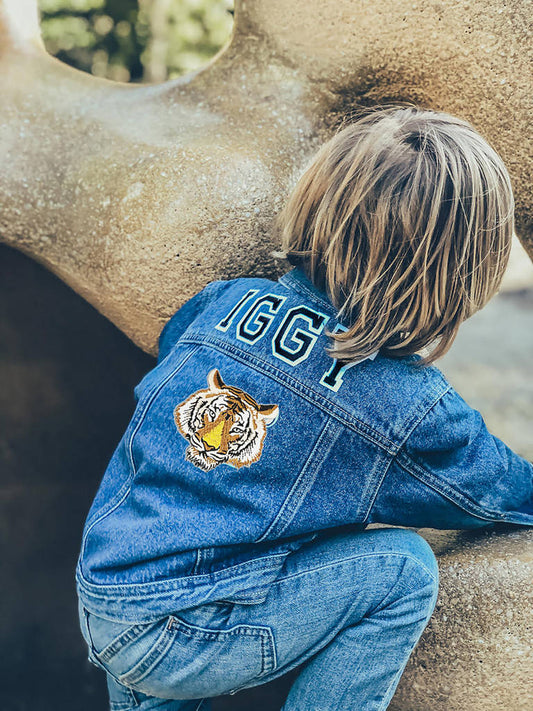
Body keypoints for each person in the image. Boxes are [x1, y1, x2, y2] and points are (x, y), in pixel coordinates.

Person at [76, 106, 533, 711]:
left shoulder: (223, 302)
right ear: (458, 271)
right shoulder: (408, 404)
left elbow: (172, 361)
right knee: (403, 568)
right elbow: (498, 493)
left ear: (319, 202)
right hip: (188, 634)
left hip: (108, 593)